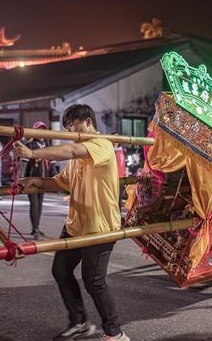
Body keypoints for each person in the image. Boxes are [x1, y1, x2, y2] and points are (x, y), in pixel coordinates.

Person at [14, 104, 129, 341]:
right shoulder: (77, 157)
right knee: (60, 271)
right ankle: (80, 323)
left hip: (100, 226)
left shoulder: (101, 144)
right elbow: (60, 183)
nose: (68, 130)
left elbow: (72, 150)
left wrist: (33, 154)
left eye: (72, 125)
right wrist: (34, 180)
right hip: (75, 225)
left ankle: (115, 333)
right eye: (66, 127)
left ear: (87, 121)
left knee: (94, 281)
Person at [19, 121, 51, 240]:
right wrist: (22, 179)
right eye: (39, 130)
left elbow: (51, 163)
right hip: (32, 180)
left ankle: (36, 228)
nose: (41, 132)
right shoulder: (30, 145)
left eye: (43, 130)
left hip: (44, 180)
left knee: (40, 204)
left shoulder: (47, 144)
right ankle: (36, 229)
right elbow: (24, 164)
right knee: (34, 204)